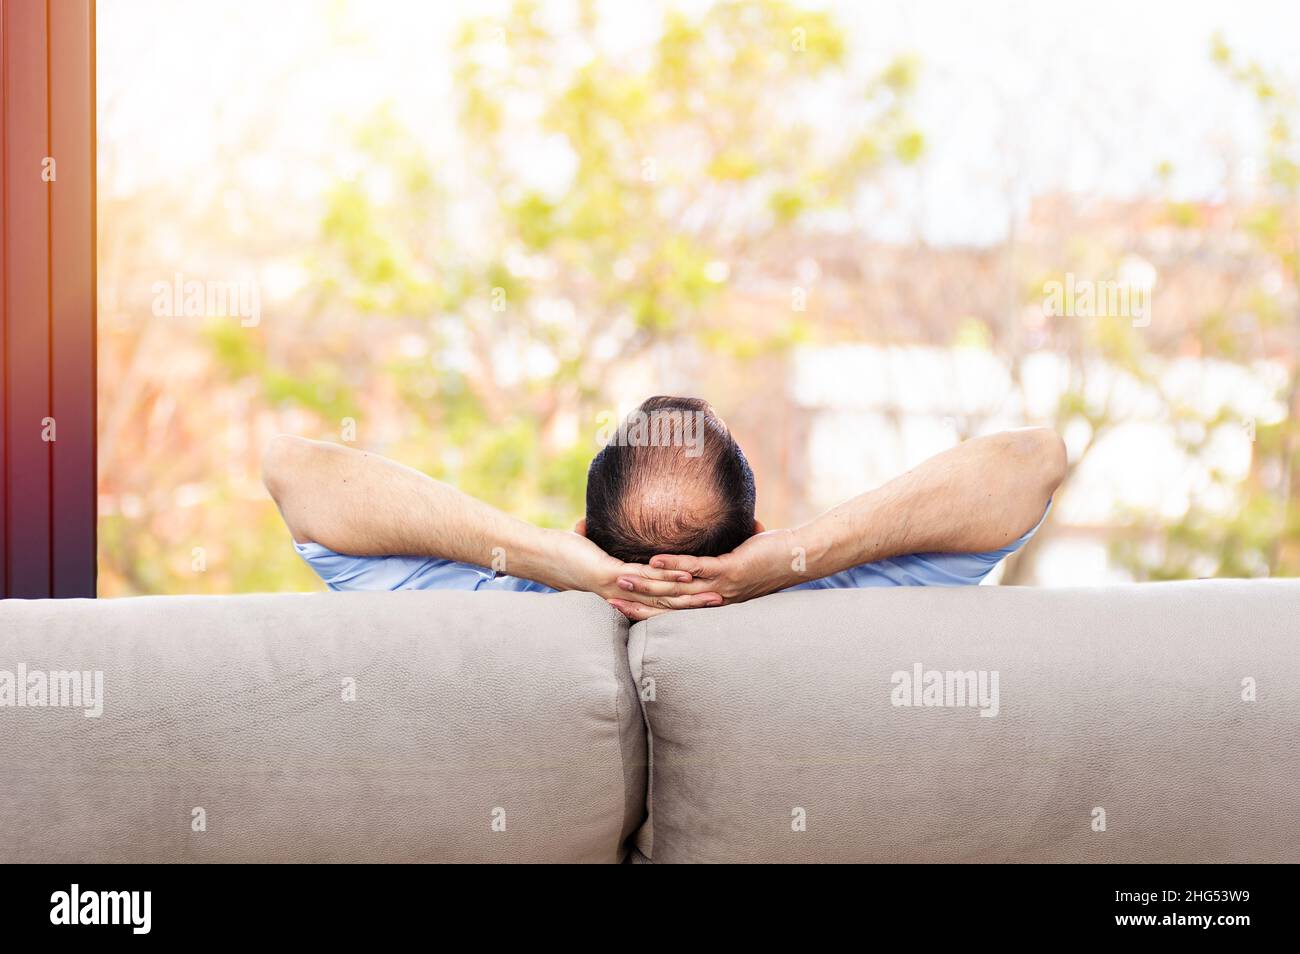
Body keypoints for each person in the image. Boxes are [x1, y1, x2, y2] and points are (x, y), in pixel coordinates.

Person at [263, 395, 1066, 619]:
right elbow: (1035, 461)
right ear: (754, 533)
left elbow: (294, 472)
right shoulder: (842, 605)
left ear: (584, 534)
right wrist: (797, 559)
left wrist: (543, 560)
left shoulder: (486, 608)